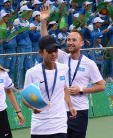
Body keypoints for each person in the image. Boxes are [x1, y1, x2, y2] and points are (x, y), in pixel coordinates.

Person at [40, 6, 105, 138]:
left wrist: (81, 89)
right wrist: (43, 22)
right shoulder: (63, 57)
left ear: (81, 43)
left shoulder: (89, 63)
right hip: (60, 110)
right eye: (69, 39)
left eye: (74, 40)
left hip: (79, 111)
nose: (70, 42)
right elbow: (46, 42)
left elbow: (101, 85)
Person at [23, 35, 76, 138]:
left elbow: (64, 88)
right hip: (40, 126)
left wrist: (70, 106)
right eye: (49, 51)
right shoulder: (32, 73)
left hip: (59, 124)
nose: (53, 54)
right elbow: (26, 98)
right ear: (41, 53)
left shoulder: (64, 68)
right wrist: (32, 106)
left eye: (55, 51)